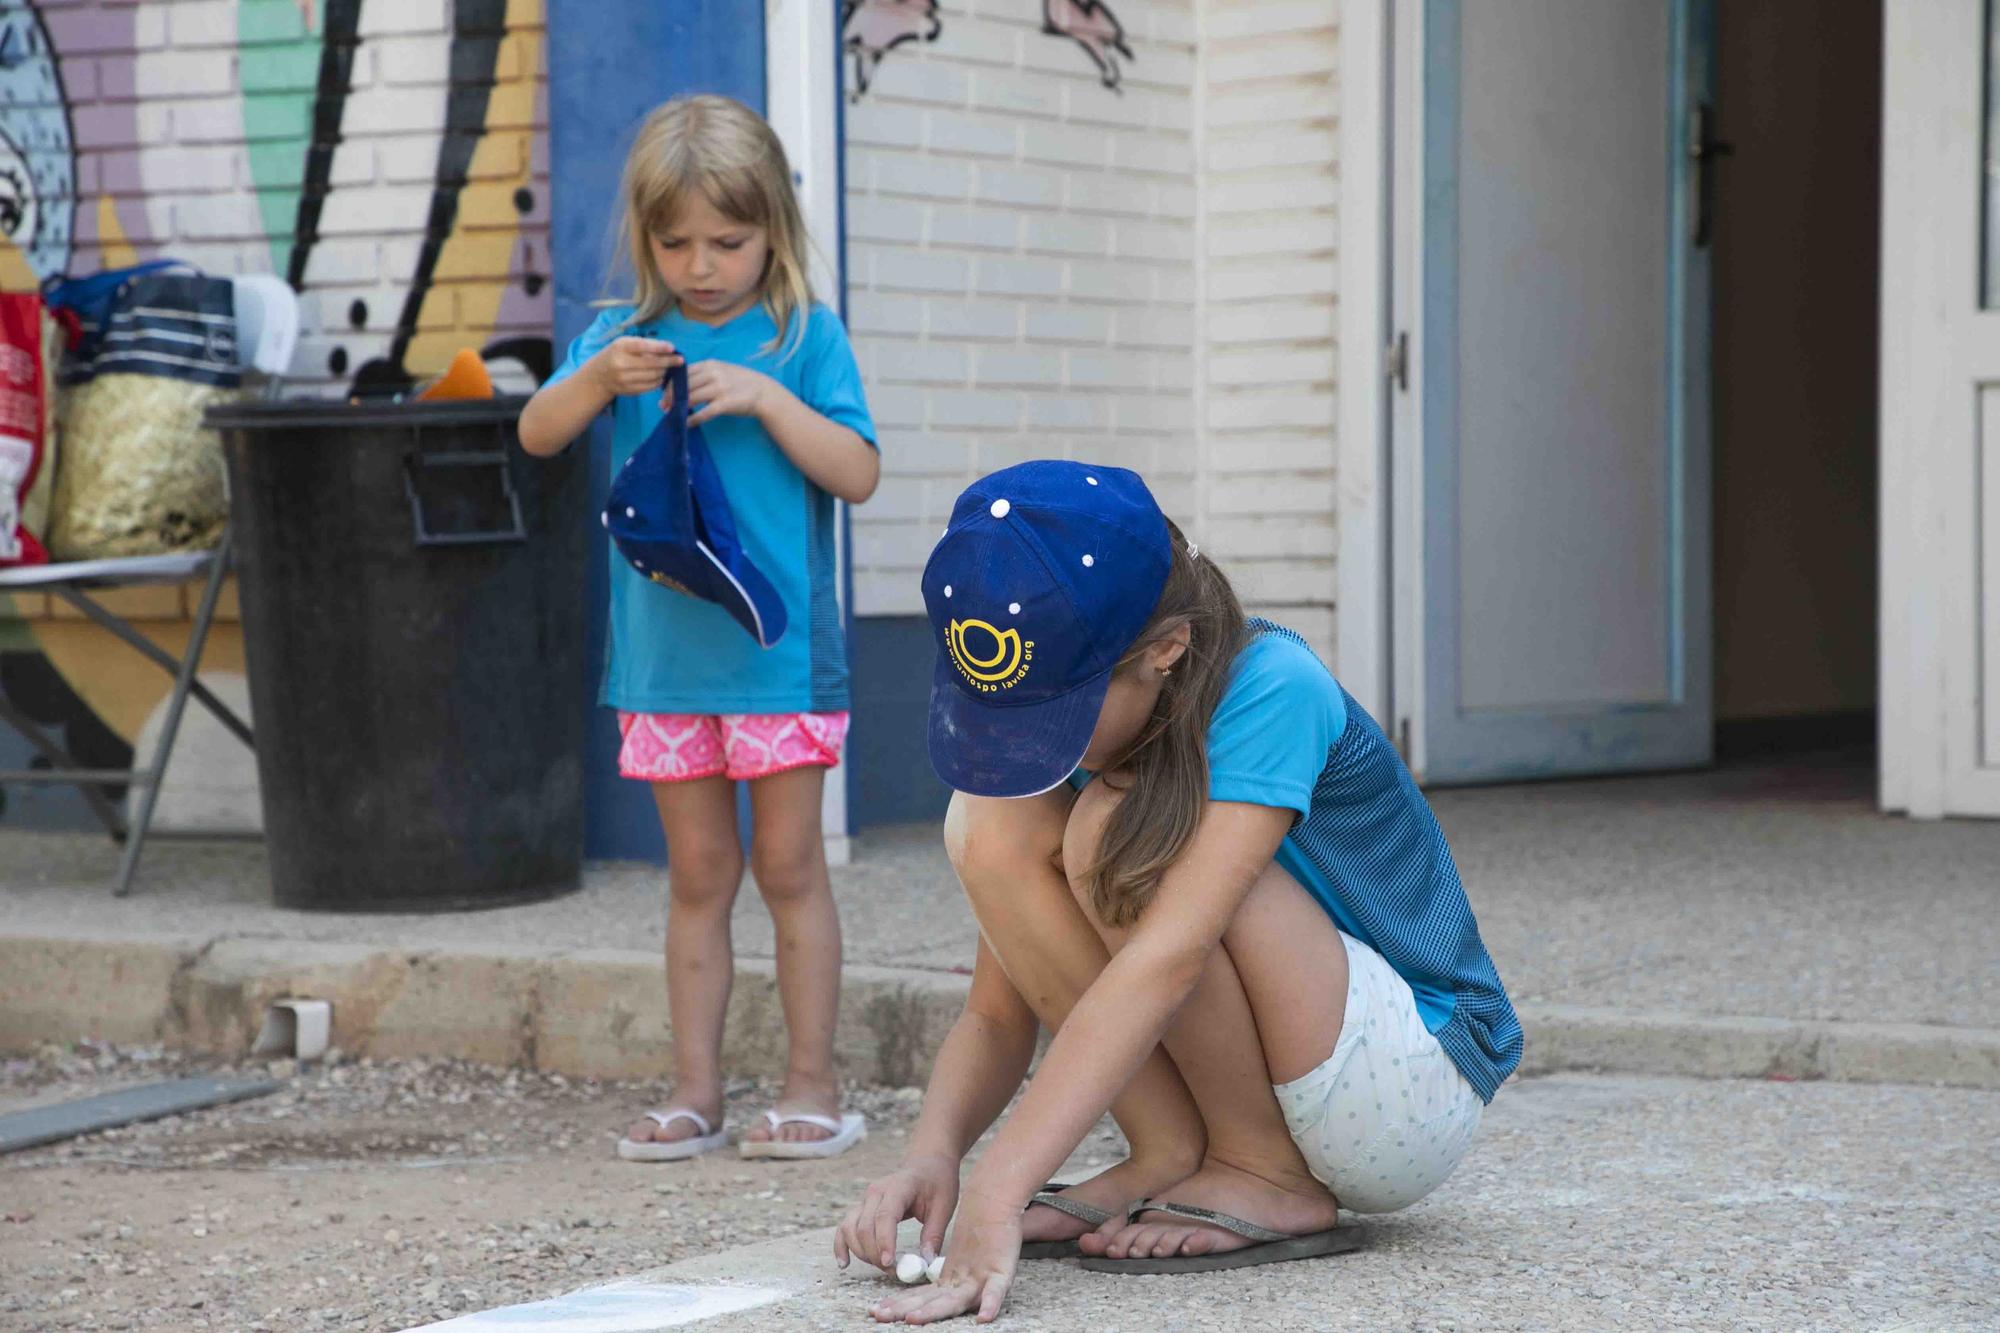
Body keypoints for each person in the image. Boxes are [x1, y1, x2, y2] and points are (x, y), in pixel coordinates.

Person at [836, 461, 1521, 1323]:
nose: (1032, 739)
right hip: (1300, 1059)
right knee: (991, 822)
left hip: (1408, 1080)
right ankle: (1168, 1148)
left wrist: (1001, 1189)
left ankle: (1262, 1168)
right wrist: (938, 1157)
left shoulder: (1272, 685)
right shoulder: (1081, 738)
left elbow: (1170, 957)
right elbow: (999, 1007)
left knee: (1117, 831)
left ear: (1166, 649)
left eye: (1056, 710)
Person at [519, 94, 878, 1161]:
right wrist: (592, 375)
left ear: (772, 226)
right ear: (643, 236)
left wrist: (771, 400)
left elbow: (857, 472)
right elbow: (538, 435)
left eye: (727, 240)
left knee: (789, 868)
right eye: (674, 242)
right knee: (695, 879)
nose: (701, 265)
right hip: (665, 668)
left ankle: (810, 1085)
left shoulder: (804, 336)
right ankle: (695, 1092)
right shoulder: (620, 337)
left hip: (776, 666)